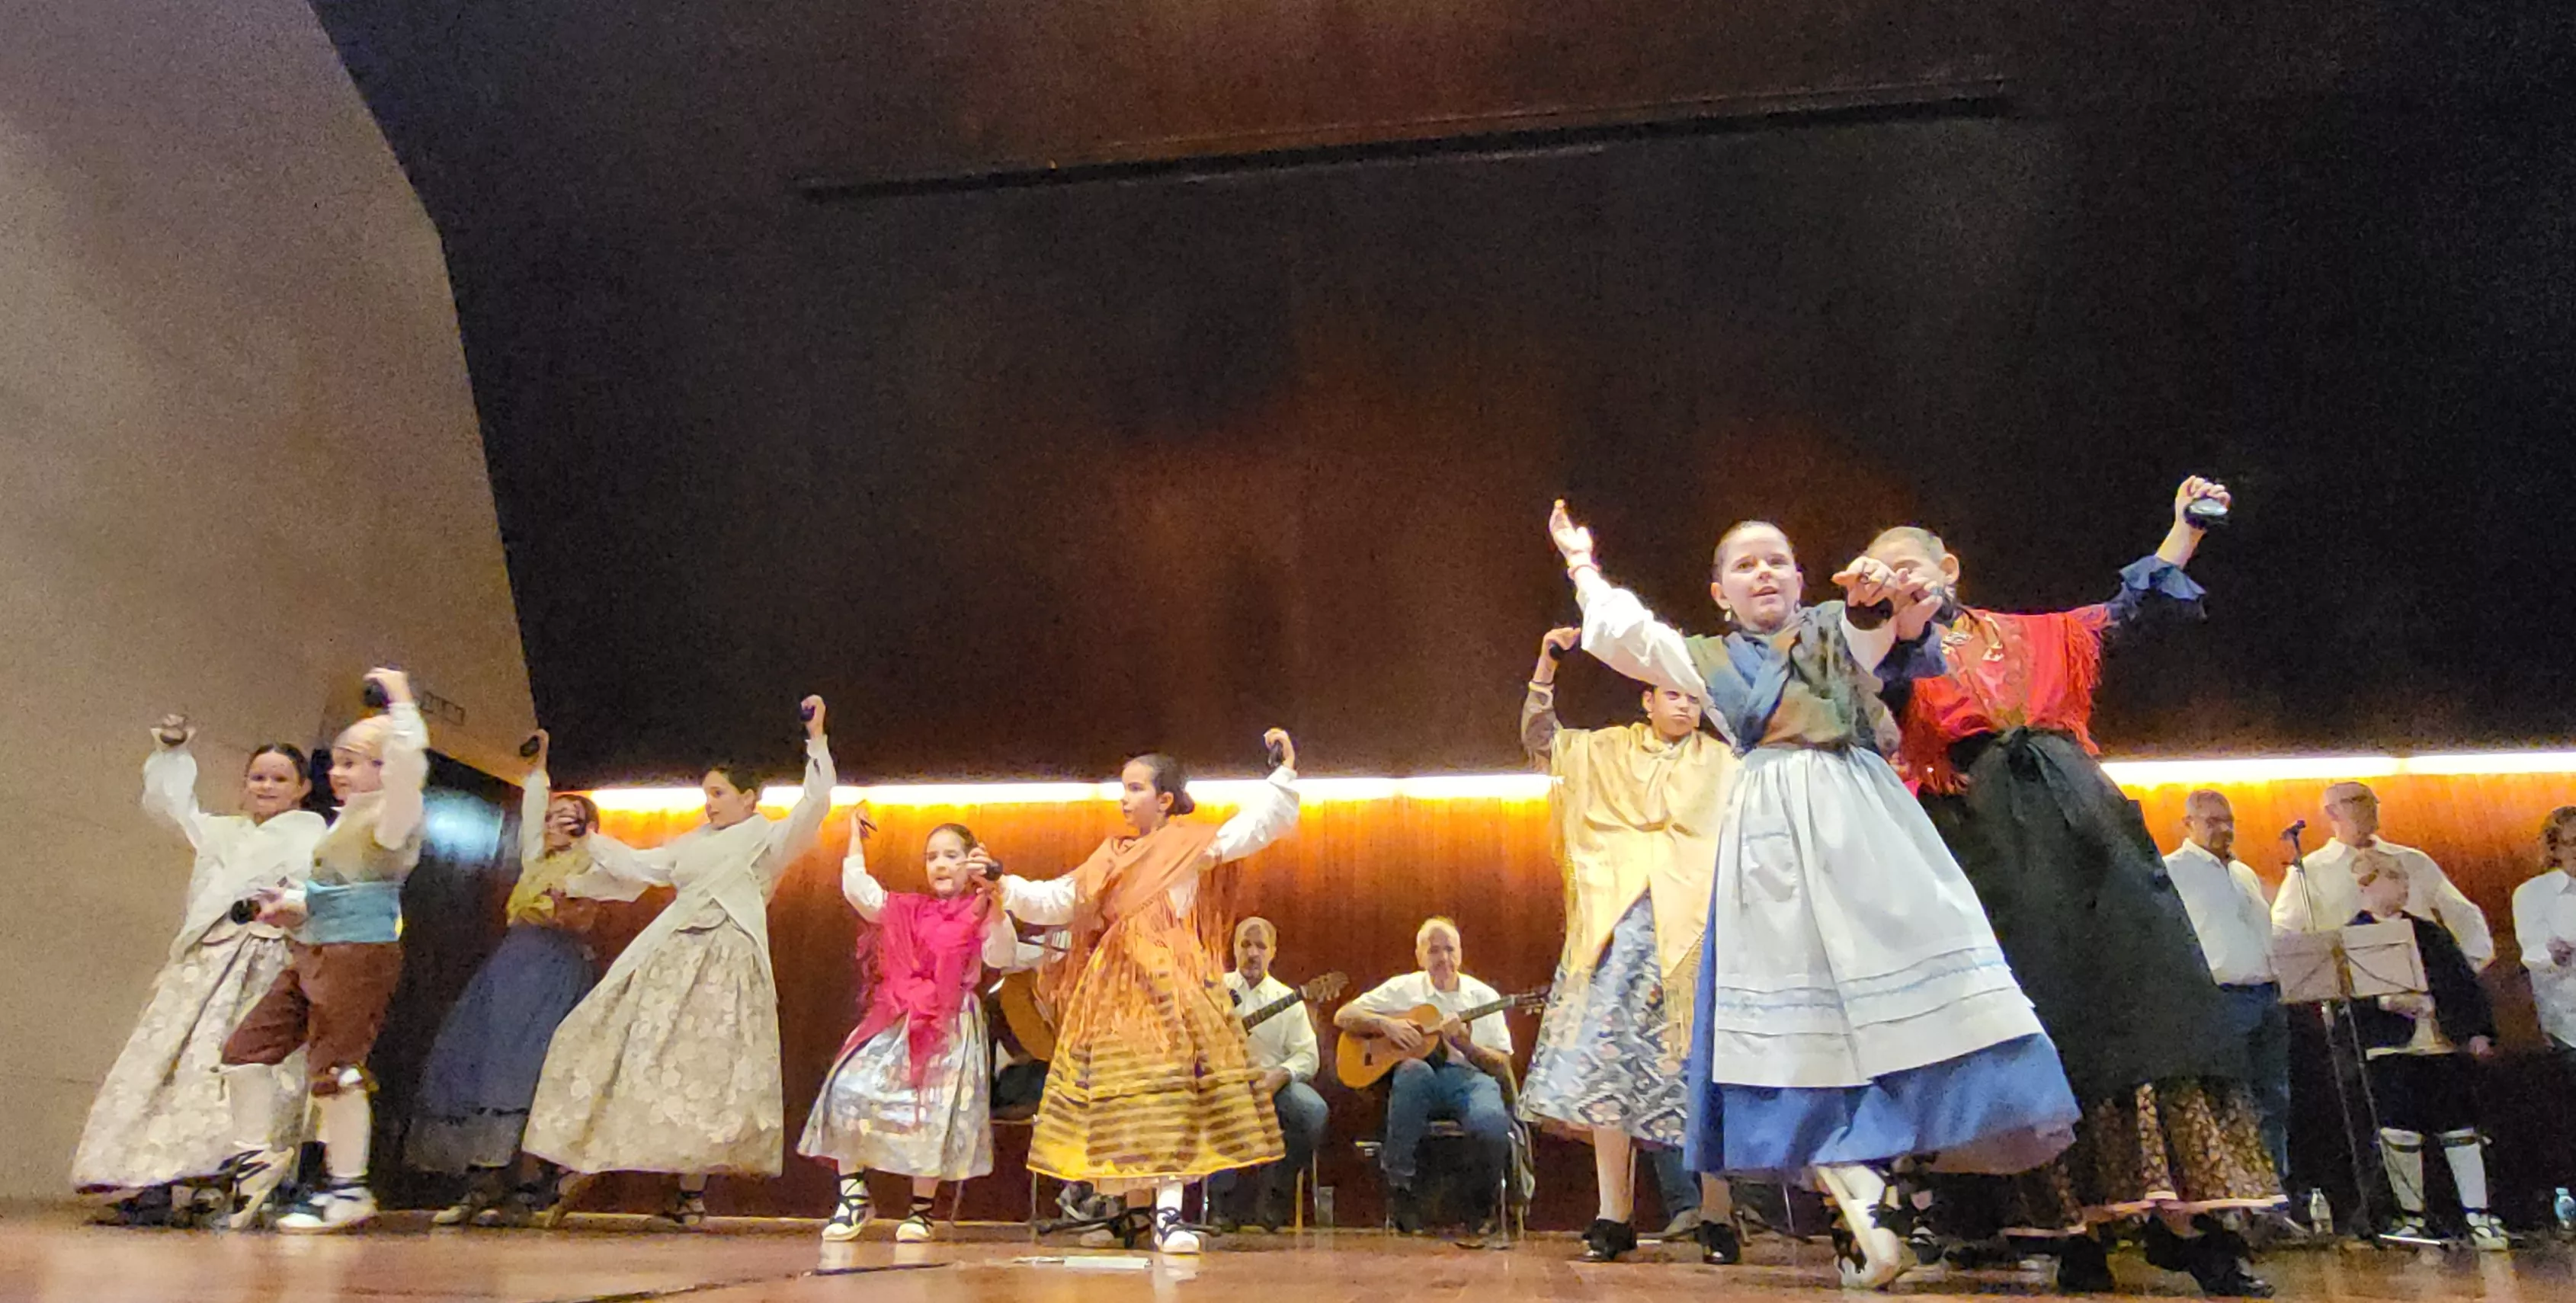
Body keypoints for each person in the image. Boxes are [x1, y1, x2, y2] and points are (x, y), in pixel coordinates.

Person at [1548, 500, 2078, 1291]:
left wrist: (1876, 601)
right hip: (1768, 833)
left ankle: (1893, 1182)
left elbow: (1876, 640)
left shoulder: (1837, 624)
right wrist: (1579, 562)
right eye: (1744, 565)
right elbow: (1625, 632)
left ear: (1801, 579)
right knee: (1797, 1015)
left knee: (1901, 984)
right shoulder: (1704, 659)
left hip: (1858, 815)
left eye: (1776, 561)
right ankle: (1859, 1194)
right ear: (1720, 592)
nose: (1762, 572)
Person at [1865, 479, 2279, 1295]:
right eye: (1883, 571)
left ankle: (2186, 1226)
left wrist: (2183, 532)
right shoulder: (1885, 664)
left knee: (2153, 1009)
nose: (1901, 577)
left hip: (2087, 828)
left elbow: (2127, 612)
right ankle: (2072, 1229)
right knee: (2041, 1024)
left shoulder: (2039, 633)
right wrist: (1881, 622)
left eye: (1909, 563)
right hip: (1984, 843)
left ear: (1948, 566)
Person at [522, 696, 837, 1226]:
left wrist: (817, 737)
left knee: (706, 1068)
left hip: (726, 962)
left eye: (718, 794)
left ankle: (690, 1191)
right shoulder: (692, 842)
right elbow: (640, 867)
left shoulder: (768, 839)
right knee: (617, 1045)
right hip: (669, 956)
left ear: (749, 798)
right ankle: (582, 1161)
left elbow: (817, 800)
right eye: (706, 794)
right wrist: (586, 851)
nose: (709, 804)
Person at [995, 731, 1303, 1255]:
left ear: (1164, 799)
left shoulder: (1186, 845)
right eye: (1123, 788)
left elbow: (1252, 828)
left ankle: (1168, 1214)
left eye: (1135, 788)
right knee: (1127, 1096)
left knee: (1169, 1092)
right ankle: (1134, 1215)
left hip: (1170, 985)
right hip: (1114, 992)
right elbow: (1057, 899)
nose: (1124, 798)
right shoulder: (1110, 856)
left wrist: (1282, 774)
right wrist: (1003, 885)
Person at [1517, 624, 1741, 1264]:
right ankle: (1613, 1215)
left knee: (1704, 1074)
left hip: (1696, 940)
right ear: (1646, 699)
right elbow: (1542, 740)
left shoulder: (1723, 762)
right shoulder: (1610, 750)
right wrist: (1546, 667)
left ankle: (1717, 1214)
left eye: (1693, 697)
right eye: (1672, 694)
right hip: (1619, 937)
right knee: (1608, 1073)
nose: (1683, 706)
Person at [70, 721, 324, 1224]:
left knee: (243, 1071)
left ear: (302, 788)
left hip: (266, 964)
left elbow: (327, 894)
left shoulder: (315, 836)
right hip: (204, 963)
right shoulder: (222, 831)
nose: (266, 786)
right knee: (169, 1066)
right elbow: (171, 807)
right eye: (258, 777)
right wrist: (171, 751)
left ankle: (226, 1183)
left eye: (279, 779)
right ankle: (151, 1184)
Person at [215, 668, 429, 1232]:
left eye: (353, 762)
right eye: (336, 762)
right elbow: (335, 892)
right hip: (314, 951)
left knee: (337, 1072)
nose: (338, 773)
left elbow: (409, 768)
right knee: (244, 1052)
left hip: (358, 957)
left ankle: (348, 1189)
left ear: (385, 768)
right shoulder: (345, 824)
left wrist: (401, 702)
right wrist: (288, 904)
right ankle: (254, 1160)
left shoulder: (392, 819)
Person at [409, 730, 624, 1226]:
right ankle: (483, 1182)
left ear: (587, 829)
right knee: (480, 1060)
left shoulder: (593, 867)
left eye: (568, 819)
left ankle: (532, 1183)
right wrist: (539, 766)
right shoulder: (536, 860)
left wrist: (567, 904)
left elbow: (581, 918)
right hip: (510, 968)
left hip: (551, 973)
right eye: (552, 818)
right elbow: (532, 808)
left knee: (529, 1070)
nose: (555, 826)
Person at [801, 815, 1021, 1243]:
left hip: (950, 1025)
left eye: (951, 856)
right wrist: (854, 840)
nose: (940, 864)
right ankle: (853, 1194)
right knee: (847, 1089)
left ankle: (921, 1211)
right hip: (899, 1017)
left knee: (932, 1115)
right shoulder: (909, 908)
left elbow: (1002, 956)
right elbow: (862, 893)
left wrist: (994, 896)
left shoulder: (982, 908)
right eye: (932, 857)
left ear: (971, 862)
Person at [2347, 850, 2507, 1250]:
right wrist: (2385, 1003)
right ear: (2367, 883)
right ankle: (2411, 1218)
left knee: (2459, 1125)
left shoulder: (2430, 933)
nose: (2403, 885)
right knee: (2399, 1128)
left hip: (2440, 1042)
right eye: (2393, 877)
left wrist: (2477, 1030)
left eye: (2404, 877)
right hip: (2389, 1047)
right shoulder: (2353, 936)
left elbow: (2463, 984)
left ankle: (2479, 1216)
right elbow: (2347, 995)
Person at [1338, 917, 1519, 1247]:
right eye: (1434, 950)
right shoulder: (1403, 988)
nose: (1443, 958)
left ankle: (1482, 1208)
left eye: (1450, 949)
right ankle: (1401, 1192)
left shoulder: (1483, 996)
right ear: (1419, 956)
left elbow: (1501, 1062)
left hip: (1469, 1078)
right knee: (1412, 1071)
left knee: (1490, 1121)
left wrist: (1466, 1045)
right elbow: (1344, 1016)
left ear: (1460, 954)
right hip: (1420, 1079)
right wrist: (1386, 1025)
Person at [2164, 792, 2293, 1207]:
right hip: (2221, 997)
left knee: (2273, 1100)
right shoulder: (2172, 871)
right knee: (2230, 1101)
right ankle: (2237, 1196)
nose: (2224, 829)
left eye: (2228, 820)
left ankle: (2273, 1194)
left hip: (2267, 994)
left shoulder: (2243, 873)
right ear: (2188, 824)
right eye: (2212, 821)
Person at [2273, 782, 2492, 969]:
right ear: (2331, 812)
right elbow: (2283, 929)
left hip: (2424, 976)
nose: (2371, 807)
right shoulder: (2309, 870)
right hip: (2355, 983)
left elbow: (2463, 913)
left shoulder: (2412, 860)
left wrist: (2468, 966)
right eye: (2359, 801)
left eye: (2374, 801)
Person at [1208, 917, 1327, 1234]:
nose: (1252, 953)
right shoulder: (1213, 991)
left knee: (1311, 1111)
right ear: (1234, 948)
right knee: (1216, 1100)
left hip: (1272, 1085)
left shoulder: (1286, 999)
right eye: (1245, 944)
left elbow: (1308, 1055)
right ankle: (1222, 1205)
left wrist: (1281, 1075)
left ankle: (1275, 1200)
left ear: (1273, 952)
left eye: (1261, 946)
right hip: (1224, 1083)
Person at [2512, 808, 2576, 1074]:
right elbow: (2531, 955)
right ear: (2554, 847)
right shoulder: (2533, 893)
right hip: (2569, 1025)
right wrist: (2553, 955)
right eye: (2573, 843)